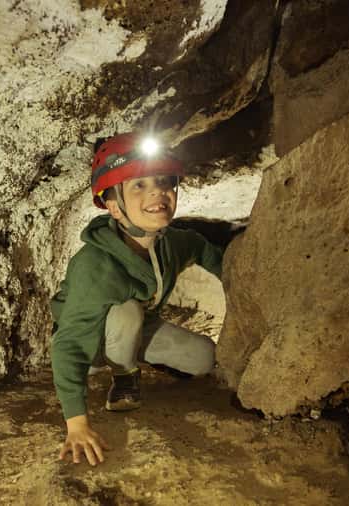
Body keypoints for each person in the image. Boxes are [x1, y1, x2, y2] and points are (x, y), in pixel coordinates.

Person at [50, 132, 224, 466]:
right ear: (114, 206)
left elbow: (204, 249)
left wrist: (237, 280)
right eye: (139, 186)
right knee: (126, 312)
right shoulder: (95, 265)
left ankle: (134, 355)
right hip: (92, 339)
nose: (158, 191)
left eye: (163, 181)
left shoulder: (173, 242)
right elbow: (68, 343)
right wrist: (77, 424)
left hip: (137, 325)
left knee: (204, 358)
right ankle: (124, 376)